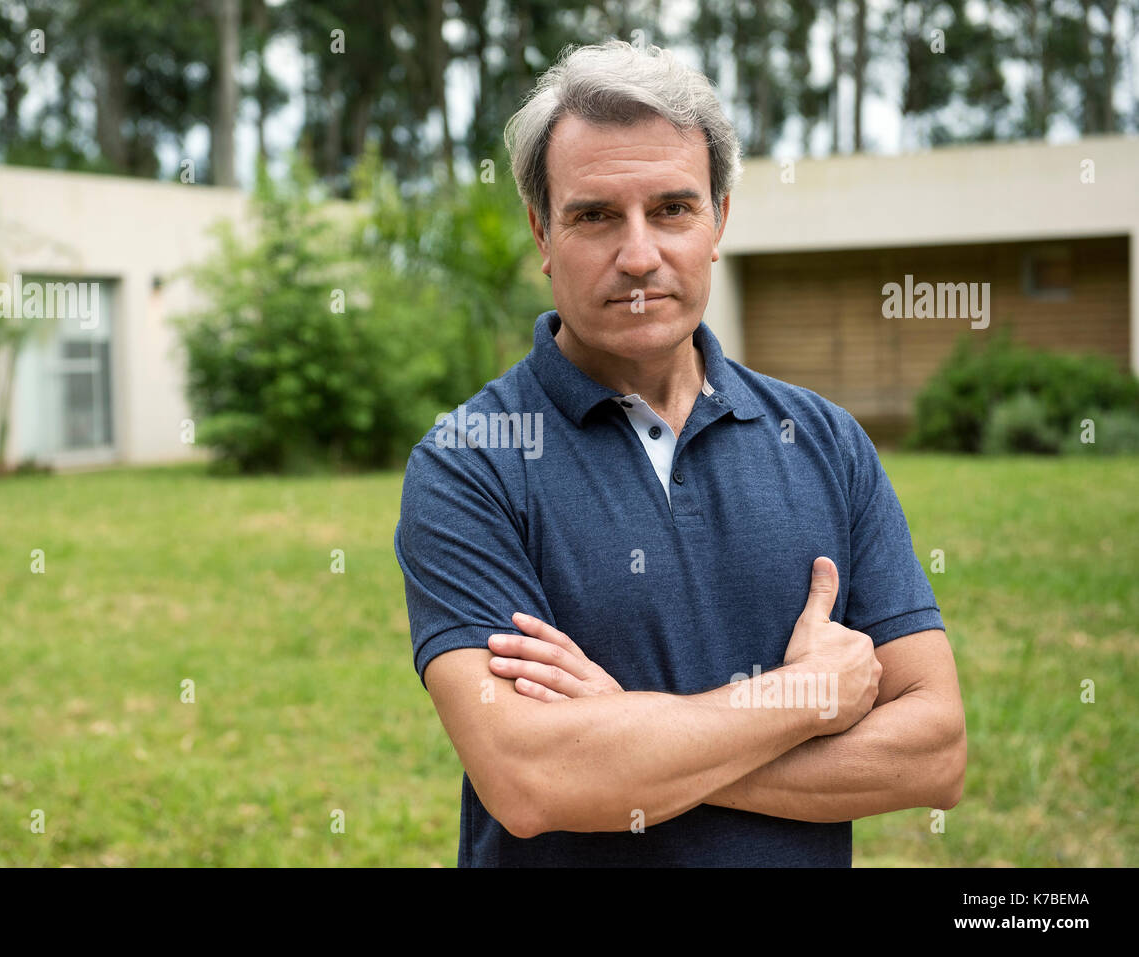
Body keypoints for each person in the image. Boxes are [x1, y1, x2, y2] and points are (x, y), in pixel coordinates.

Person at [393, 38, 966, 866]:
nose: (637, 255)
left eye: (672, 209)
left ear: (719, 221)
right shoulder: (467, 463)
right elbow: (531, 779)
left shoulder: (828, 440)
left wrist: (625, 729)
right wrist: (804, 699)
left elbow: (935, 751)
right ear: (542, 231)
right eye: (594, 215)